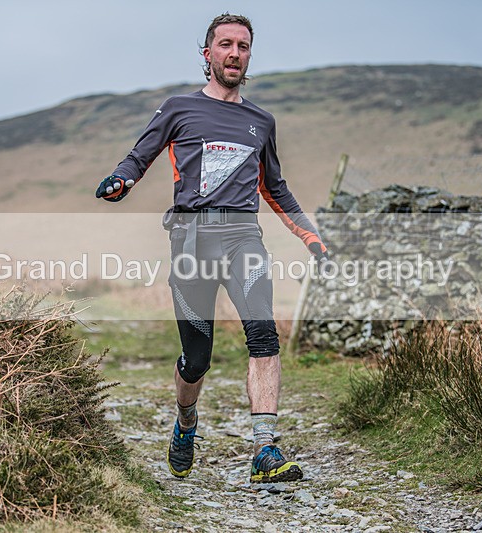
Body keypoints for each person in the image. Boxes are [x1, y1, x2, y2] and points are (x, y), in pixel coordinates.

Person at [96, 12, 328, 483]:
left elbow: (275, 188)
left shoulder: (261, 121)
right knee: (196, 358)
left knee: (264, 337)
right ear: (208, 54)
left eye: (243, 46)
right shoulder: (179, 108)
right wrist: (122, 179)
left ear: (249, 55)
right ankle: (186, 421)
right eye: (225, 45)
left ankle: (264, 448)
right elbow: (140, 155)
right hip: (191, 241)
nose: (234, 54)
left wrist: (309, 235)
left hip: (244, 239)